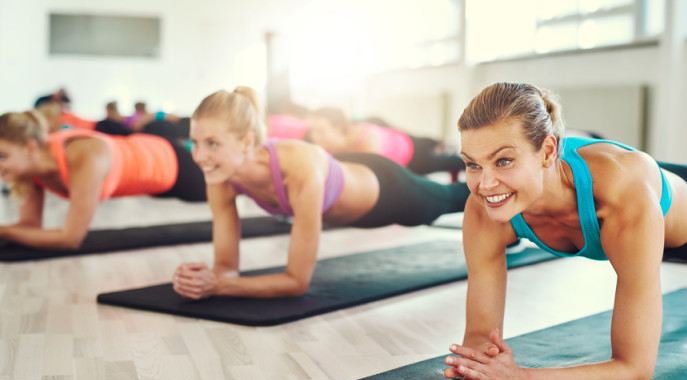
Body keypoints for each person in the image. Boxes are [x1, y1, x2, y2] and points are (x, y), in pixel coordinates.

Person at [442, 82, 687, 380]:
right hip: (636, 212)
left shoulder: (621, 196)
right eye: (473, 164)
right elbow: (478, 334)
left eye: (503, 160)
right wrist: (479, 370)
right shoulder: (484, 209)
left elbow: (633, 373)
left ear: (547, 151)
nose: (486, 184)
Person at [171, 87, 470, 299]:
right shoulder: (220, 175)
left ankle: (506, 195)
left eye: (212, 144)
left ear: (247, 142)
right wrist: (203, 279)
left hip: (383, 189)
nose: (199, 156)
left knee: (450, 199)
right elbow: (225, 269)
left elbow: (296, 282)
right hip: (345, 171)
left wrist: (218, 287)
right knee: (448, 197)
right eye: (194, 143)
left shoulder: (298, 167)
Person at [0, 110, 206, 249]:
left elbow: (70, 238)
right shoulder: (30, 170)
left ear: (30, 147)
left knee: (230, 187)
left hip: (170, 163)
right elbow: (28, 227)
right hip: (151, 176)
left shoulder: (83, 156)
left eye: (2, 156)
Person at [307, 106, 464, 178]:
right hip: (397, 138)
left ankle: (458, 155)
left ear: (339, 129)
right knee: (427, 142)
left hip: (411, 153)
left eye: (320, 131)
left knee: (447, 161)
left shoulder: (367, 143)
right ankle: (442, 146)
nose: (314, 137)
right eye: (312, 131)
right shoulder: (329, 145)